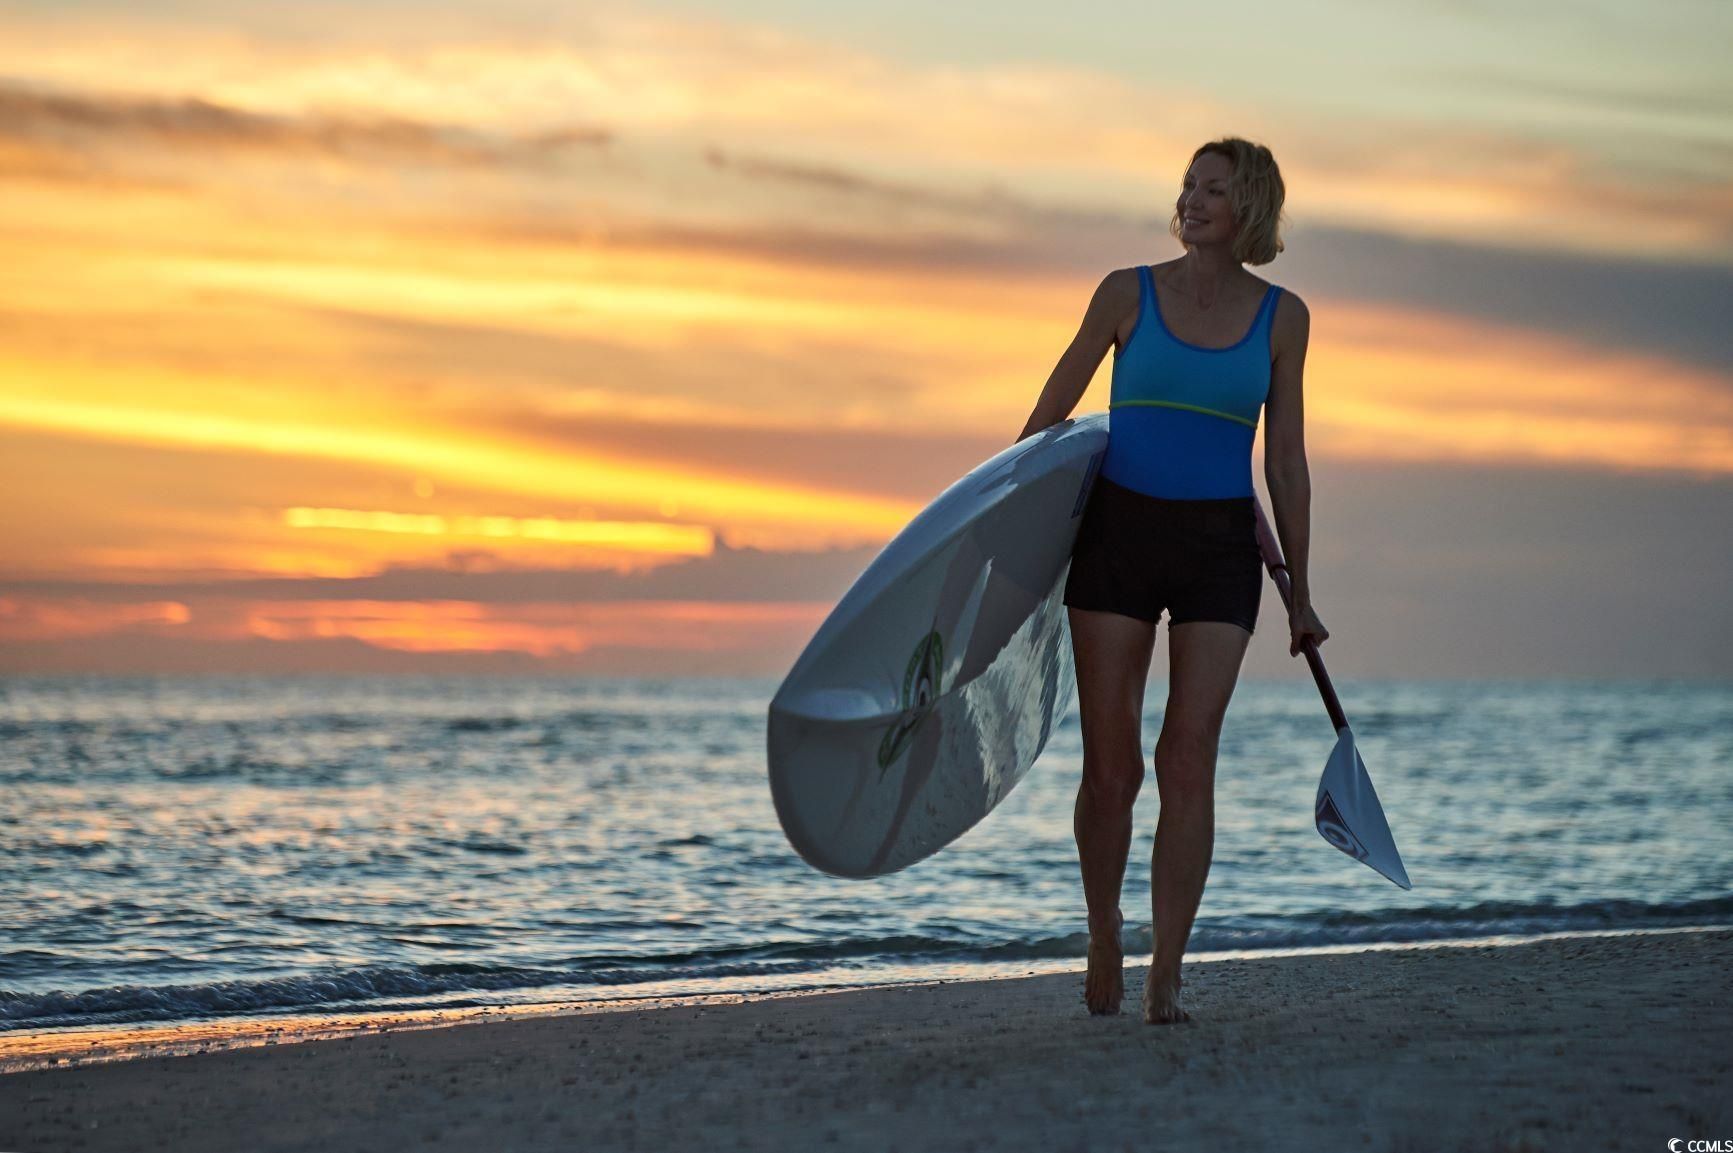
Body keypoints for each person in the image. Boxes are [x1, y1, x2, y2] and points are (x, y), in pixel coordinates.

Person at [1015, 137, 1328, 1024]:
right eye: (1188, 185)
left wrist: (1301, 592)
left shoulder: (1283, 318)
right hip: (1118, 531)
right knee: (1111, 765)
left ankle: (1167, 967)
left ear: (1248, 208)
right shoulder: (1126, 293)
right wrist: (995, 534)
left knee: (1186, 756)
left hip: (1219, 546)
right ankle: (1102, 927)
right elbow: (1047, 418)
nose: (1190, 200)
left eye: (1212, 189)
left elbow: (1286, 461)